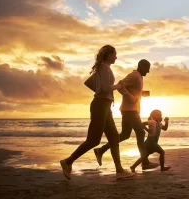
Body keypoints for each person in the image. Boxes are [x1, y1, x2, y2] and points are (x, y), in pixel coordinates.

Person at [60, 45, 134, 180]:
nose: (116, 57)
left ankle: (119, 170)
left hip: (104, 105)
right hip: (100, 105)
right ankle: (68, 161)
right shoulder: (104, 68)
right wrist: (118, 86)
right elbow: (105, 88)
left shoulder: (103, 68)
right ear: (108, 55)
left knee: (113, 138)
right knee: (94, 140)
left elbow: (89, 82)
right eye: (114, 54)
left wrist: (100, 90)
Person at [93, 59, 158, 170]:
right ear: (141, 66)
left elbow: (133, 90)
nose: (148, 71)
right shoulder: (134, 75)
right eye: (147, 68)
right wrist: (130, 96)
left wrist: (142, 93)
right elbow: (120, 85)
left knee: (125, 135)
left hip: (131, 109)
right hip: (130, 110)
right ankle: (145, 162)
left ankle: (101, 150)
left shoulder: (139, 77)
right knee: (141, 132)